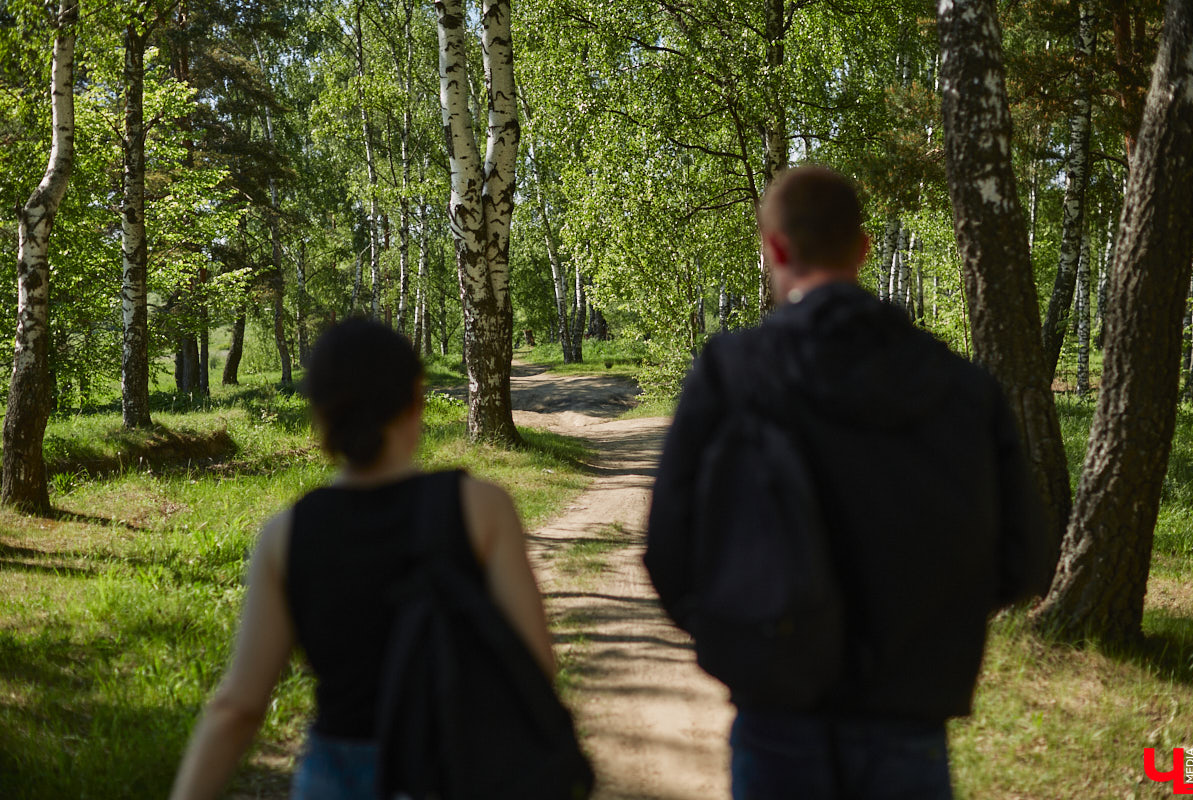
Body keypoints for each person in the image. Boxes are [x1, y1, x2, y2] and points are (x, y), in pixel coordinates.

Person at [643, 166, 1054, 800]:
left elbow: (669, 548)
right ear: (862, 249)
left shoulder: (732, 374)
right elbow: (1022, 558)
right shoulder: (961, 387)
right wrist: (929, 629)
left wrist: (745, 641)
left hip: (778, 710)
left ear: (775, 248)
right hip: (909, 714)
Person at [169, 319, 555, 800]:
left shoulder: (285, 535)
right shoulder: (482, 508)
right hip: (457, 763)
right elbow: (536, 666)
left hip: (338, 776)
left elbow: (239, 707)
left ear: (320, 416)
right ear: (416, 399)